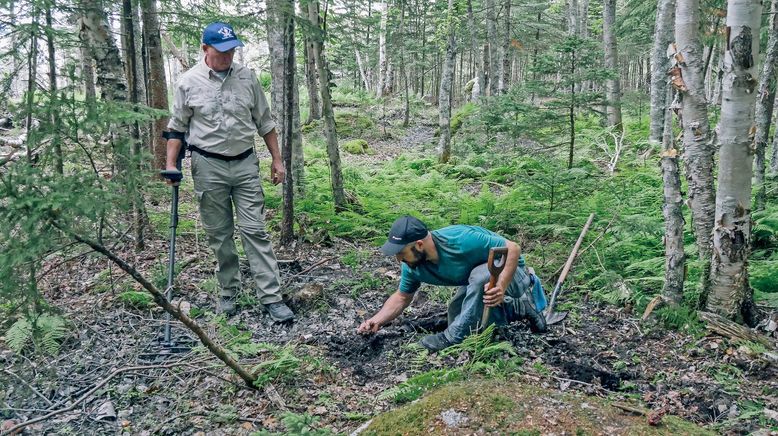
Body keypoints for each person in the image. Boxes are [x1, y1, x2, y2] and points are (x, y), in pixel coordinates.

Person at [164, 22, 293, 322]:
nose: (228, 56)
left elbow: (265, 121)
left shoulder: (248, 79)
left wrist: (277, 160)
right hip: (207, 166)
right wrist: (171, 165)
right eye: (221, 51)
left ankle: (271, 297)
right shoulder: (187, 82)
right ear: (205, 49)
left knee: (255, 230)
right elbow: (177, 128)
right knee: (220, 235)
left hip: (245, 163)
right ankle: (228, 293)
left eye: (232, 50)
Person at [357, 216, 547, 351]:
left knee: (479, 281)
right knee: (459, 313)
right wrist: (377, 320)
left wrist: (502, 285)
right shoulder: (412, 265)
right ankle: (521, 308)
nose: (399, 259)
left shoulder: (461, 239)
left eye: (401, 252)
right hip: (475, 283)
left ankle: (452, 338)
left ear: (419, 245)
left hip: (512, 274)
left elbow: (513, 248)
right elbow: (402, 297)